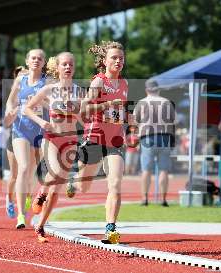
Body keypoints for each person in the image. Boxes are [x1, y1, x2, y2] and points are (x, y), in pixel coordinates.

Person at [67, 41, 130, 244]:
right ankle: (73, 180)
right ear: (105, 61)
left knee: (115, 184)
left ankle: (110, 229)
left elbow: (121, 113)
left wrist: (130, 121)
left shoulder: (125, 84)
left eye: (121, 58)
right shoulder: (98, 82)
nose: (118, 61)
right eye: (114, 58)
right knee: (84, 185)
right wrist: (109, 104)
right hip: (94, 137)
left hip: (116, 140)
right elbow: (84, 110)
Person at [25, 51, 81, 242]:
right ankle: (42, 192)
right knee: (56, 175)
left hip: (70, 140)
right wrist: (41, 123)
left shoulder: (79, 91)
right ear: (57, 68)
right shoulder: (49, 90)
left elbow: (84, 116)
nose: (67, 67)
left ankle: (41, 225)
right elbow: (27, 109)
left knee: (56, 189)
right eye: (64, 64)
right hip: (52, 138)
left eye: (71, 64)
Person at [5, 49, 48, 229]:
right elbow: (10, 100)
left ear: (44, 63)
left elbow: (54, 105)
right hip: (20, 130)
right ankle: (21, 215)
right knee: (23, 168)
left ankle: (33, 201)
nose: (36, 61)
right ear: (27, 61)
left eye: (39, 58)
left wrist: (41, 103)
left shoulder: (48, 83)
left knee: (34, 173)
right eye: (33, 58)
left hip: (39, 131)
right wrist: (10, 110)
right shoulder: (20, 80)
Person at [133, 80, 175, 207]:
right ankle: (163, 199)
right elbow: (174, 121)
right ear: (159, 89)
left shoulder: (142, 103)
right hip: (165, 137)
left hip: (147, 137)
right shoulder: (167, 102)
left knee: (146, 169)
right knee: (164, 169)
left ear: (147, 90)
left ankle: (144, 198)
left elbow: (134, 121)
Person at [3, 66, 28, 219]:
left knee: (29, 173)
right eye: (21, 76)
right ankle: (9, 199)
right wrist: (14, 112)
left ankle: (26, 199)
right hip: (15, 137)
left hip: (32, 138)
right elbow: (6, 121)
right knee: (15, 174)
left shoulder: (35, 95)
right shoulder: (13, 98)